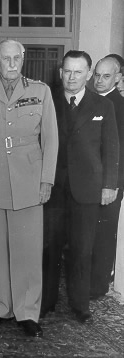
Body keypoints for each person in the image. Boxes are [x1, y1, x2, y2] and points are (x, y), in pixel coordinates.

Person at [0, 39, 58, 337]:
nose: (10, 64)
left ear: (23, 59)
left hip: (29, 178)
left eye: (15, 58)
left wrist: (46, 179)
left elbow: (51, 140)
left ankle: (28, 311)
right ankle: (3, 306)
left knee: (28, 249)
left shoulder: (40, 91)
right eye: (4, 59)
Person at [42, 50, 119, 324]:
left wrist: (110, 184)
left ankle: (80, 304)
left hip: (87, 188)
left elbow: (111, 148)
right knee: (49, 249)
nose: (72, 77)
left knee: (82, 250)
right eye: (67, 71)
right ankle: (46, 301)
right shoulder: (47, 100)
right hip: (52, 188)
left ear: (88, 74)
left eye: (78, 72)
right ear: (60, 72)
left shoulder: (103, 105)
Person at [90, 57, 124, 300]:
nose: (99, 81)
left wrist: (112, 184)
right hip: (90, 180)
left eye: (106, 77)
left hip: (111, 182)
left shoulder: (119, 106)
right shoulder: (91, 101)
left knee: (103, 234)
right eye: (97, 76)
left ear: (118, 77)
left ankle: (99, 284)